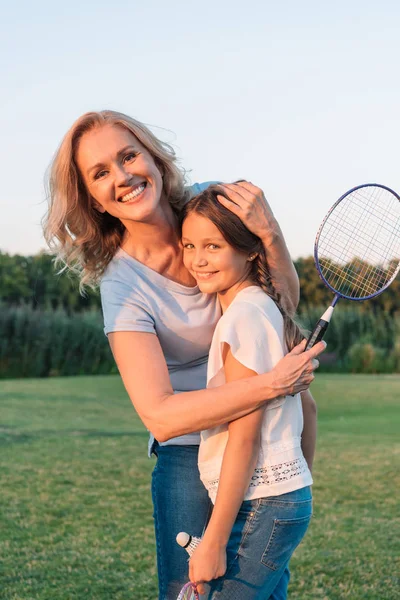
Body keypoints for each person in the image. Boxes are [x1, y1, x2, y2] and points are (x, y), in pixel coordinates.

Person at [43, 110, 324, 599]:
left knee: (261, 588)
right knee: (191, 591)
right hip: (190, 458)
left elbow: (280, 303)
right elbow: (161, 416)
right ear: (92, 199)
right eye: (101, 172)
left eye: (129, 155)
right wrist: (272, 385)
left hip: (262, 443)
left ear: (153, 156)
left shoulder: (208, 205)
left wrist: (271, 232)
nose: (124, 176)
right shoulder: (123, 286)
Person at [180, 186, 316, 599]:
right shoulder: (261, 308)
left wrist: (215, 541)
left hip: (261, 504)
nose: (197, 259)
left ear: (250, 251)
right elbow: (307, 408)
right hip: (279, 500)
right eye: (189, 245)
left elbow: (245, 436)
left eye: (213, 246)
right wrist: (299, 484)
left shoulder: (244, 317)